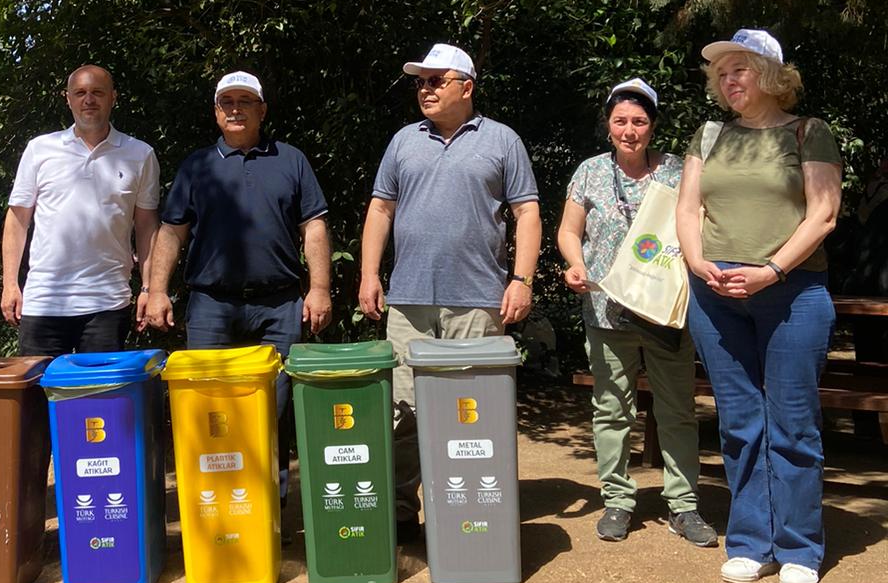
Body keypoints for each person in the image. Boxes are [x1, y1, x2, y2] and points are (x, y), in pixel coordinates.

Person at [676, 29, 842, 583]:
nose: (728, 80)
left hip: (791, 293)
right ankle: (751, 542)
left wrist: (771, 271)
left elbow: (822, 215)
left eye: (740, 69)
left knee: (793, 424)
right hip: (715, 294)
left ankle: (799, 547)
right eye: (722, 73)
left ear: (772, 75)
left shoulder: (808, 132)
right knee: (740, 423)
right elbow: (687, 207)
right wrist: (699, 264)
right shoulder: (710, 134)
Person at [358, 44, 541, 532]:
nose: (426, 88)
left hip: (478, 300)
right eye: (421, 81)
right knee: (404, 413)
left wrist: (521, 280)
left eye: (437, 80)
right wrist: (369, 274)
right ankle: (401, 511)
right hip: (409, 301)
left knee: (473, 415)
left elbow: (527, 214)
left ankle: (470, 504)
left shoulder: (502, 140)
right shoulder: (403, 141)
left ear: (467, 86)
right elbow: (380, 210)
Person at [143, 72, 332, 496]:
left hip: (279, 307)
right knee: (211, 411)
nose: (235, 109)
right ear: (215, 112)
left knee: (273, 411)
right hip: (211, 307)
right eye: (226, 101)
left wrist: (318, 289)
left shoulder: (291, 160)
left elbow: (314, 227)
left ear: (261, 110)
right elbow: (172, 232)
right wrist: (156, 291)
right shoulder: (196, 166)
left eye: (245, 101)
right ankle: (215, 502)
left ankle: (270, 508)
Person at [558, 78, 716, 546]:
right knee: (611, 409)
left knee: (678, 410)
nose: (630, 130)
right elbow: (569, 230)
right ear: (608, 124)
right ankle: (617, 501)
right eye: (621, 120)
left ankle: (684, 506)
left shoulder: (676, 172)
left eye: (639, 122)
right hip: (607, 310)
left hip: (666, 311)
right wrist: (575, 264)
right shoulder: (589, 171)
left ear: (653, 126)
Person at [2, 64, 160, 356]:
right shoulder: (40, 149)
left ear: (113, 97)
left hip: (107, 303)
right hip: (44, 301)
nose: (89, 100)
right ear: (68, 99)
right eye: (81, 93)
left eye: (97, 92)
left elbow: (147, 225)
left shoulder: (140, 154)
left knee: (98, 400)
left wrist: (149, 289)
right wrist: (10, 284)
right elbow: (17, 219)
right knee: (38, 399)